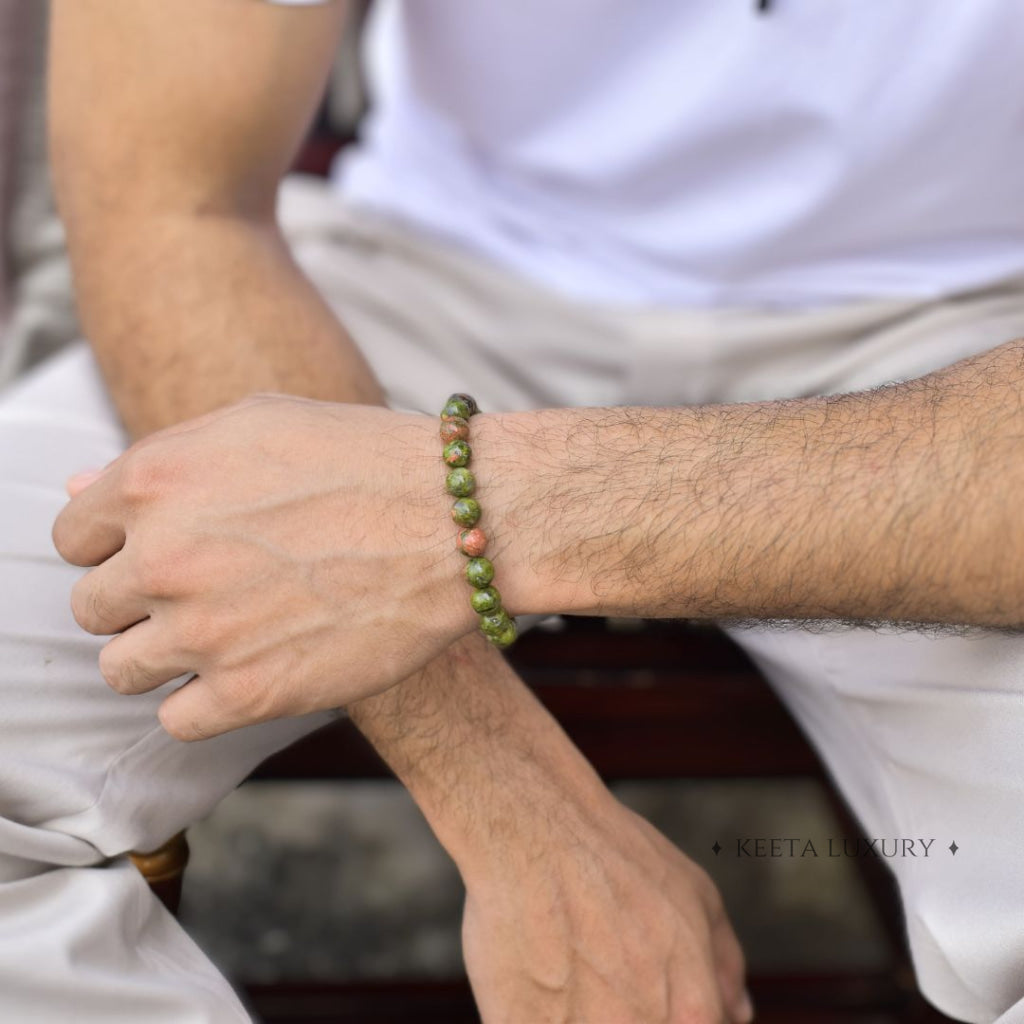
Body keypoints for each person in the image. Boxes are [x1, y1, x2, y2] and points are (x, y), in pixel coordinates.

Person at [6, 0, 1024, 1020]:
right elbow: (172, 203)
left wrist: (471, 506)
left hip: (975, 365)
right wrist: (527, 819)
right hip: (403, 287)